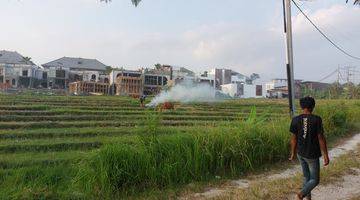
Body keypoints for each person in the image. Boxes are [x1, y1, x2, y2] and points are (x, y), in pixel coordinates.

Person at [289, 96, 330, 200]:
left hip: (300, 153)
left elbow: (293, 138)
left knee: (306, 177)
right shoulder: (317, 119)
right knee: (315, 180)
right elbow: (321, 138)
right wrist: (325, 155)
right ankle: (301, 194)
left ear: (301, 106)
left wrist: (293, 153)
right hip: (312, 154)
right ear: (313, 106)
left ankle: (308, 198)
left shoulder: (295, 120)